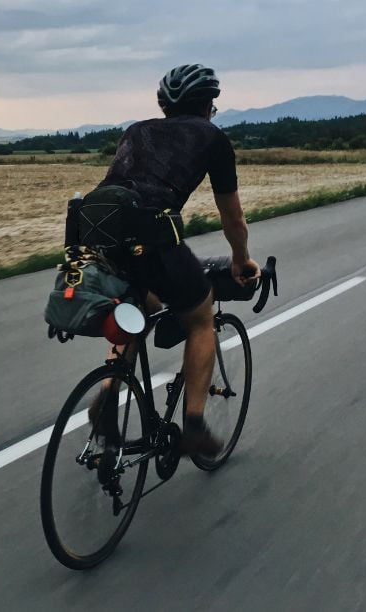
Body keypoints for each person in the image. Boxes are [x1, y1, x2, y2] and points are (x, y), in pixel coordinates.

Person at [92, 64, 260, 458]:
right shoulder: (213, 138)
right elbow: (232, 218)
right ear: (208, 105)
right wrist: (241, 260)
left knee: (141, 304)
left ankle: (107, 395)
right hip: (151, 234)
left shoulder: (136, 130)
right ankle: (196, 427)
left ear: (164, 105)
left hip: (99, 233)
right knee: (200, 316)